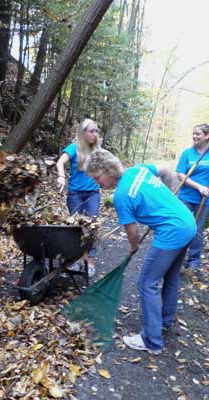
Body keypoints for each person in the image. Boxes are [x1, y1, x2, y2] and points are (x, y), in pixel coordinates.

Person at [85, 149, 196, 355]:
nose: (96, 183)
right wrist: (171, 195)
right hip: (187, 222)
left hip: (172, 231)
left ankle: (152, 341)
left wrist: (133, 247)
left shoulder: (121, 196)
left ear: (108, 170)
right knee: (171, 276)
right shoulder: (138, 170)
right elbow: (165, 170)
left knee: (147, 282)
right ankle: (164, 321)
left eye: (97, 177)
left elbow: (132, 232)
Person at [56, 119, 101, 276]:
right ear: (83, 133)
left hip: (93, 194)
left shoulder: (98, 150)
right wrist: (61, 176)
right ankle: (73, 259)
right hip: (75, 194)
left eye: (96, 131)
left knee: (91, 227)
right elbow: (60, 162)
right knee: (75, 228)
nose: (95, 135)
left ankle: (89, 260)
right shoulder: (74, 147)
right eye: (91, 131)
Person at [176, 123, 209, 271]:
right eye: (194, 133)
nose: (194, 136)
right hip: (185, 197)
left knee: (197, 230)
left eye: (198, 134)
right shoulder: (187, 153)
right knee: (181, 226)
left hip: (204, 200)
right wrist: (199, 187)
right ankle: (175, 257)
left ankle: (193, 262)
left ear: (207, 136)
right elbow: (180, 175)